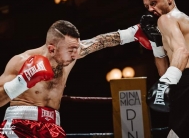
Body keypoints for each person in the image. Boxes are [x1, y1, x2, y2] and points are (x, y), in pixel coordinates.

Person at [0, 19, 156, 137]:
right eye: (71, 50)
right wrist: (22, 82)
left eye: (76, 48)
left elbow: (99, 42)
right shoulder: (21, 61)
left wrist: (133, 33)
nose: (76, 55)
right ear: (52, 49)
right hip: (18, 126)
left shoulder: (71, 54)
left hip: (52, 127)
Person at [142, 0, 189, 138]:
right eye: (147, 6)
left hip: (188, 84)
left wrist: (165, 84)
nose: (150, 9)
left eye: (153, 3)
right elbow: (164, 71)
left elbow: (182, 51)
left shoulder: (166, 19)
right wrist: (156, 43)